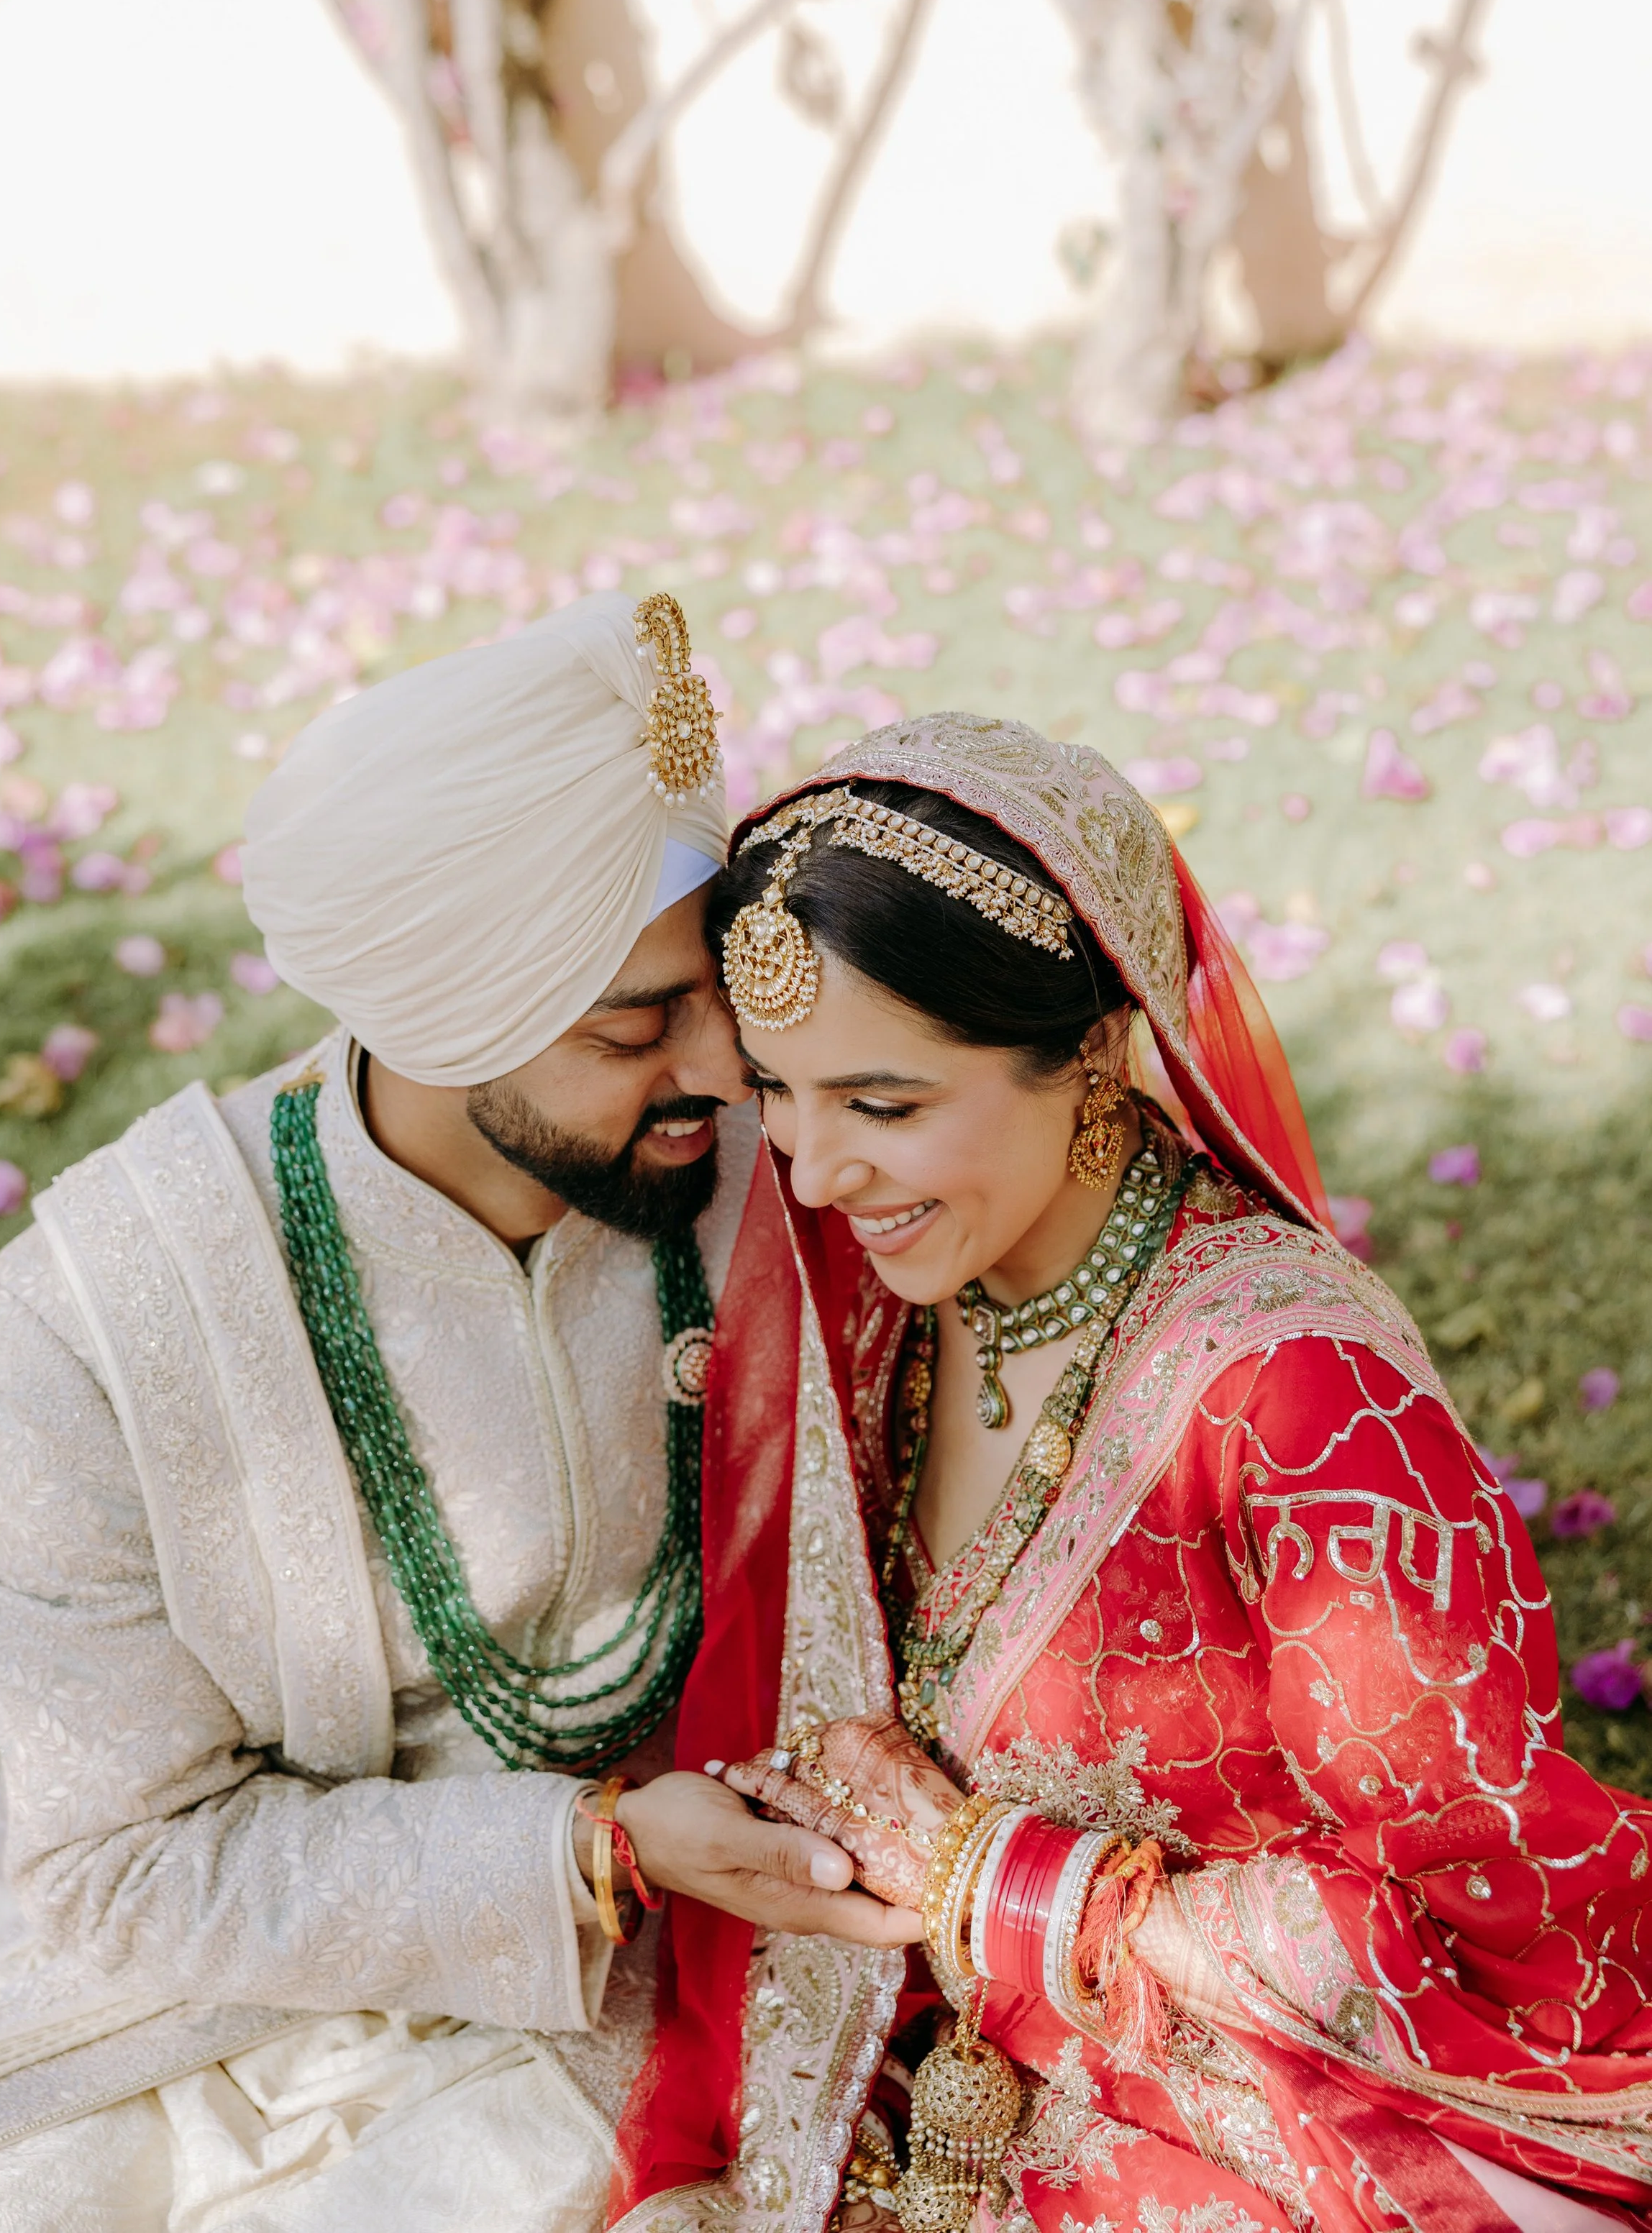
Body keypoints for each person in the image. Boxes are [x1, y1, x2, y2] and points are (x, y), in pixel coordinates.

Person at [0, 593, 908, 2232]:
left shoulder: (791, 1178)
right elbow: (117, 1871)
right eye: (635, 1024)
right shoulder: (98, 1322)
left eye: (714, 990)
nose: (723, 1068)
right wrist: (584, 1847)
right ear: (438, 1024)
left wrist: (635, 1867)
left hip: (652, 1979)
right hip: (196, 1997)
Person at [611, 713, 1652, 2233]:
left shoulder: (1295, 1407)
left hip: (1258, 2114)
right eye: (777, 1091)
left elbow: (1459, 1918)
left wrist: (989, 1874)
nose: (814, 1171)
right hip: (919, 2053)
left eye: (883, 1105)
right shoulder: (867, 1285)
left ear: (1094, 1046)